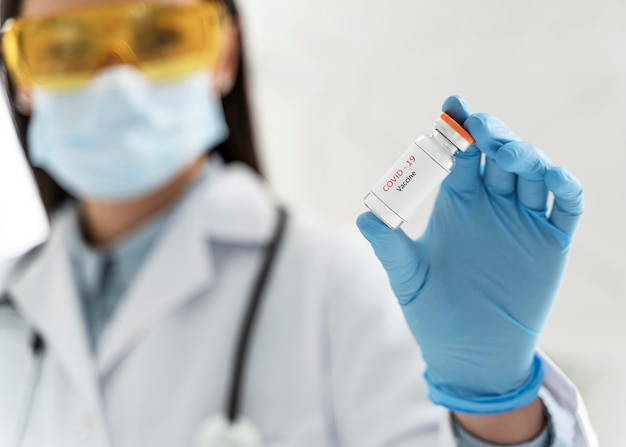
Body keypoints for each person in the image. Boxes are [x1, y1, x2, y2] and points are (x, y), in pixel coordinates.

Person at [0, 0, 596, 446]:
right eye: (64, 46)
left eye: (160, 35)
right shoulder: (13, 306)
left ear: (224, 52)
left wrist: (494, 405)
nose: (117, 77)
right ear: (20, 73)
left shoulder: (336, 282)